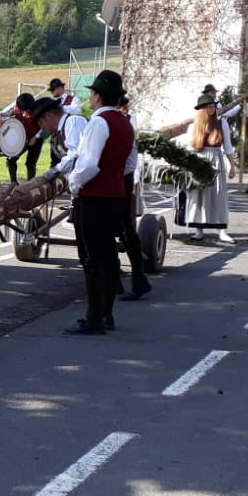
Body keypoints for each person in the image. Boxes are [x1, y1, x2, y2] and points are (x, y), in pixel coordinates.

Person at [61, 70, 133, 336]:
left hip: (93, 199)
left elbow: (89, 164)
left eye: (92, 93)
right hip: (116, 197)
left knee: (92, 259)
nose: (89, 98)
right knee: (110, 256)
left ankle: (94, 317)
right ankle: (106, 313)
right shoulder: (125, 123)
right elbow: (130, 164)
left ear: (99, 97)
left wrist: (74, 184)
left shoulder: (98, 123)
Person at [180, 94, 235, 243]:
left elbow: (228, 146)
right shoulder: (193, 126)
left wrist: (232, 166)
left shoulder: (222, 124)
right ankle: (199, 231)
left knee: (218, 194)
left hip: (216, 160)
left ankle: (222, 231)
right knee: (199, 195)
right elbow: (189, 148)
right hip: (199, 160)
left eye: (213, 106)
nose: (212, 109)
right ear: (202, 110)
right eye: (209, 107)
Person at [114, 94, 151, 302]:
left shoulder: (126, 124)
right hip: (120, 179)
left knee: (123, 230)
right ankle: (126, 279)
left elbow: (130, 158)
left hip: (120, 180)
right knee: (121, 230)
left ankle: (133, 279)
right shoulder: (113, 121)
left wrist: (124, 178)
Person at [4, 92, 40, 182]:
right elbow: (4, 114)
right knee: (11, 159)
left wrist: (36, 137)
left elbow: (45, 128)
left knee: (30, 163)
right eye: (21, 109)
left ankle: (31, 184)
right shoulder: (16, 108)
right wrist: (1, 115)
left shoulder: (39, 111)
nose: (23, 111)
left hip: (36, 139)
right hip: (21, 138)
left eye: (26, 110)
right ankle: (13, 183)